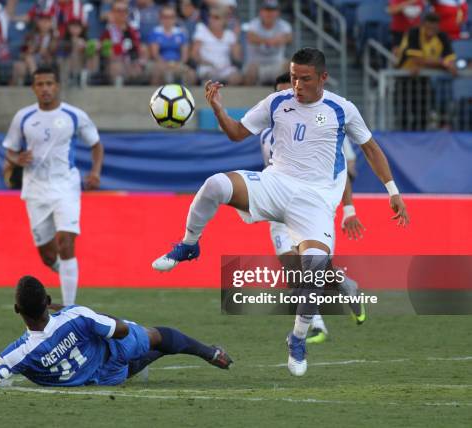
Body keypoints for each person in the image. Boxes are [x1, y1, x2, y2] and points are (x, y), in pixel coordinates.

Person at [152, 47, 410, 377]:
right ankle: (189, 244)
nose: (297, 85)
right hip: (275, 184)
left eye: (305, 79)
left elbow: (371, 149)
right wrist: (218, 108)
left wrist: (393, 192)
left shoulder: (340, 109)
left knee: (313, 272)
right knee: (215, 184)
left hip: (315, 201)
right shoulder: (277, 103)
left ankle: (298, 338)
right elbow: (236, 134)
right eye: (293, 77)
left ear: (323, 78)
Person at [0, 275, 233, 389]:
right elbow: (121, 330)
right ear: (48, 301)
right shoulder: (75, 316)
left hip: (105, 379)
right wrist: (100, 318)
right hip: (110, 353)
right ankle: (209, 352)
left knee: (135, 358)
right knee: (157, 336)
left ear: (17, 310)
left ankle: (155, 355)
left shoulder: (18, 352)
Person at [259, 73, 366, 344]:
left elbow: (337, 170)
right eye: (281, 94)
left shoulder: (322, 125)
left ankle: (345, 285)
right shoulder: (265, 134)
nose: (290, 98)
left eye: (293, 91)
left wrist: (349, 209)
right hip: (279, 207)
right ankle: (316, 326)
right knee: (292, 266)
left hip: (310, 206)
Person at [3, 65, 104, 307]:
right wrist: (17, 159)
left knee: (66, 241)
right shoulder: (23, 117)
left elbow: (96, 144)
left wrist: (95, 172)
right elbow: (10, 150)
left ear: (57, 86)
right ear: (33, 88)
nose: (45, 89)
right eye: (40, 84)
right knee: (48, 256)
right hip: (35, 190)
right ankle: (66, 273)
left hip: (65, 185)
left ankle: (70, 308)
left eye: (49, 84)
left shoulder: (73, 115)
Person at [396, 12, 457, 130]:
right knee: (403, 114)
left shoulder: (442, 37)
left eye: (434, 28)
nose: (431, 31)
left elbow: (450, 62)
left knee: (423, 114)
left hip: (423, 78)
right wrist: (442, 63)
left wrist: (447, 64)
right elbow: (417, 60)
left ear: (438, 27)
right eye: (428, 27)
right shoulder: (414, 33)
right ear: (422, 25)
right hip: (404, 77)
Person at [243, 0, 292, 86]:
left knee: (292, 65)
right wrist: (270, 41)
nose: (269, 13)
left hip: (276, 65)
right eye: (266, 10)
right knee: (250, 70)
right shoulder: (253, 24)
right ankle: (248, 96)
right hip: (258, 66)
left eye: (272, 10)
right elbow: (251, 37)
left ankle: (287, 96)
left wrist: (278, 40)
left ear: (278, 12)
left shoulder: (284, 25)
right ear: (261, 12)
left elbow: (289, 38)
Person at [191, 6, 242, 85]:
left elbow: (237, 57)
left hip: (225, 69)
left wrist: (236, 38)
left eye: (216, 17)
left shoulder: (230, 34)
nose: (211, 19)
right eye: (210, 16)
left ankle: (228, 95)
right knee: (209, 78)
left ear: (224, 20)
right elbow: (194, 54)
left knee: (237, 78)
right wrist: (205, 62)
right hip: (207, 68)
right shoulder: (202, 30)